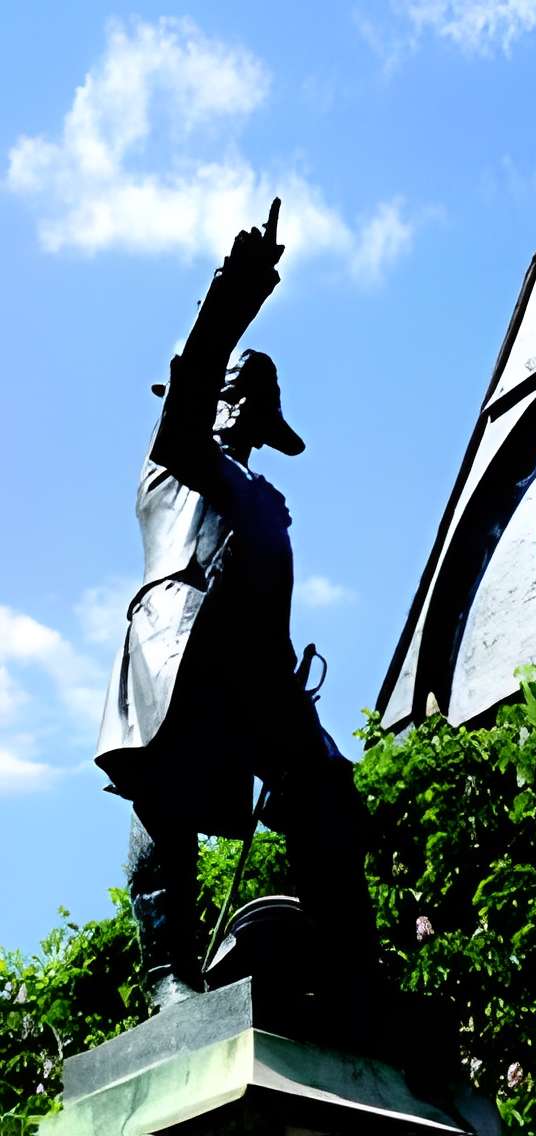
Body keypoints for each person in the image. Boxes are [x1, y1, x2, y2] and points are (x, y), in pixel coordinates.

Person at [94, 200, 375, 1012]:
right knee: (167, 792)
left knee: (324, 793)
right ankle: (167, 975)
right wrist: (235, 294)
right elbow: (188, 390)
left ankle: (356, 982)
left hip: (262, 660)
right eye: (242, 402)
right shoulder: (172, 460)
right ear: (216, 399)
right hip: (181, 643)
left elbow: (272, 598)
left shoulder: (265, 498)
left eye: (260, 410)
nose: (249, 420)